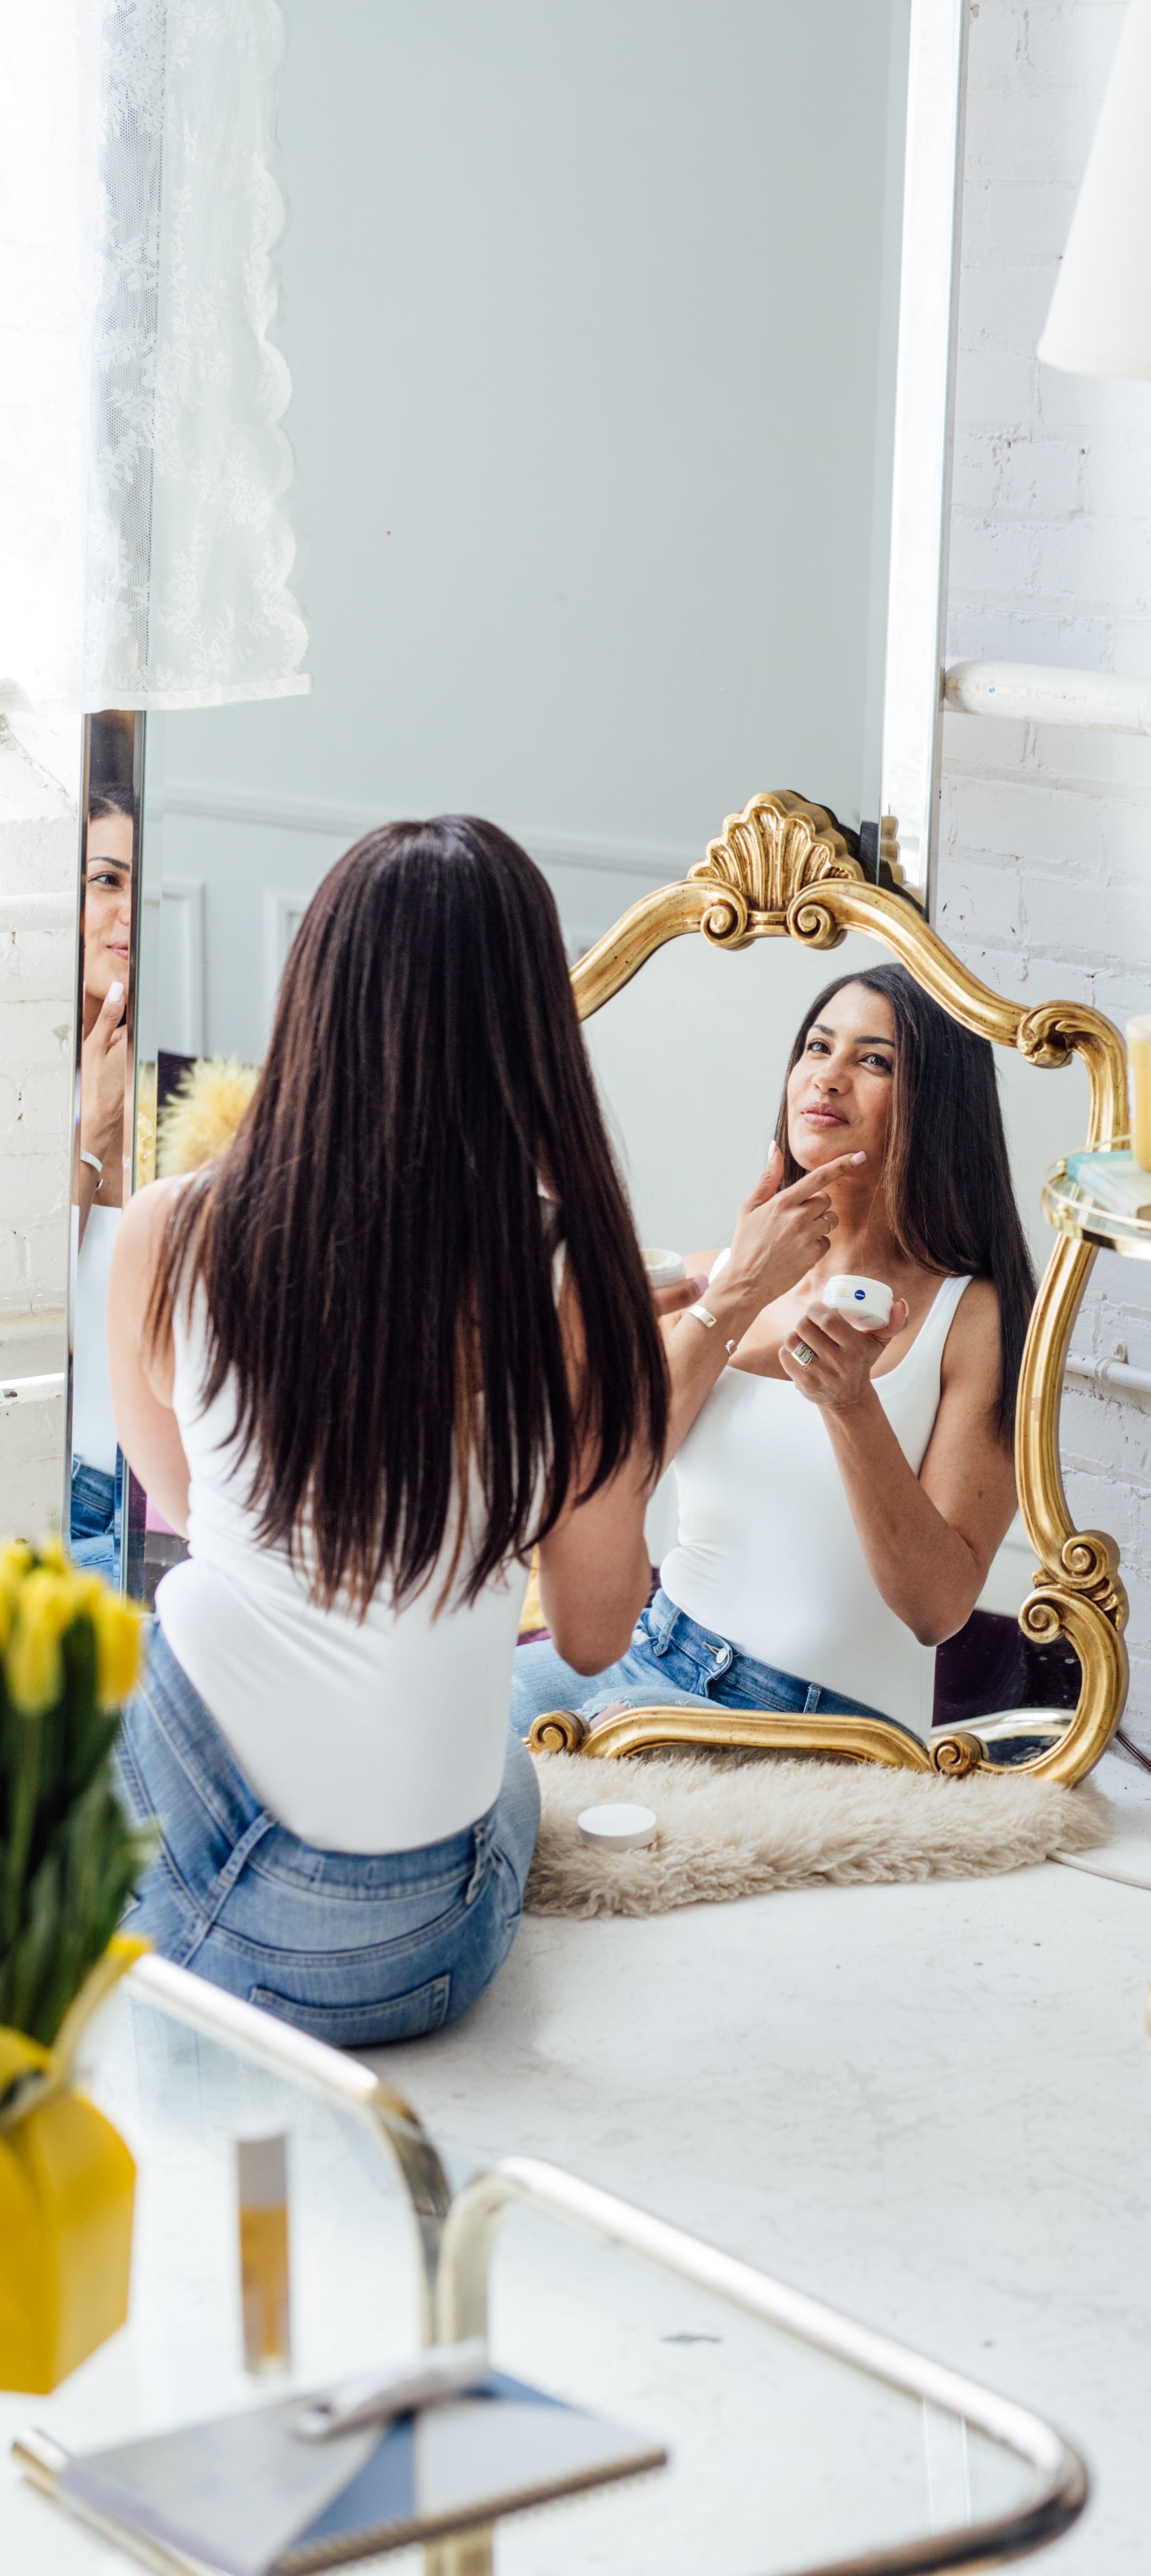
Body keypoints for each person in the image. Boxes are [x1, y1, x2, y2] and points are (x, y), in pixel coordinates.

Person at [107, 817, 671, 2043]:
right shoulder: (578, 1279)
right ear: (532, 1023)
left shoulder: (166, 1230)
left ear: (315, 994)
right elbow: (591, 1635)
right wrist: (638, 1384)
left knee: (131, 1633)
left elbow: (191, 1514)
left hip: (159, 1863)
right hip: (405, 1959)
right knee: (510, 1755)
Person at [515, 963, 1036, 1745]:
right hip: (652, 1650)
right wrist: (737, 1293)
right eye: (817, 1048)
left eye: (873, 1060)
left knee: (596, 1752)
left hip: (822, 1721)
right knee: (450, 1714)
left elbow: (938, 1610)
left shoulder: (974, 1317)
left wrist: (852, 1404)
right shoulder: (711, 1279)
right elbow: (616, 1480)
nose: (828, 1076)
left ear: (936, 1104)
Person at [68, 790, 137, 1579]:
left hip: (178, 1505)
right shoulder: (27, 1088)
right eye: (105, 880)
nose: (127, 913)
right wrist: (92, 1131)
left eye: (140, 886)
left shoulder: (182, 1093)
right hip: (67, 1500)